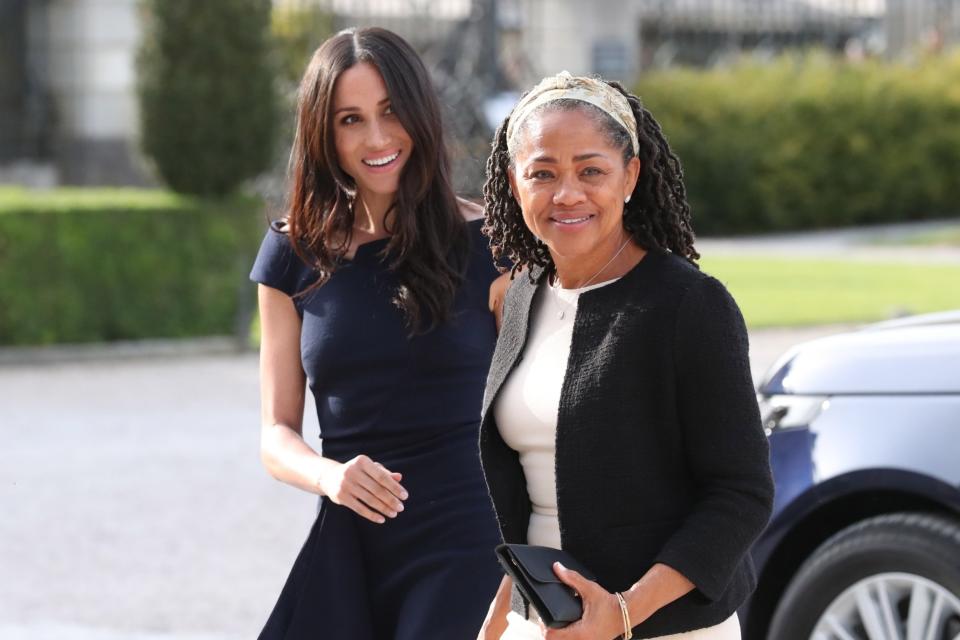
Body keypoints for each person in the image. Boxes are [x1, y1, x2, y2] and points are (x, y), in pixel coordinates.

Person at [475, 72, 775, 640]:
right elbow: (537, 494)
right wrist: (499, 618)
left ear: (630, 175)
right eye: (543, 173)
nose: (567, 194)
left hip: (663, 627)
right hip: (542, 622)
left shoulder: (689, 305)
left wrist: (626, 611)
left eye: (591, 170)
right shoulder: (522, 295)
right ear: (516, 183)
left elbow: (742, 493)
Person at [249, 27, 505, 639]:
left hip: (470, 539)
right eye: (350, 119)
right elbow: (275, 433)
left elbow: (543, 405)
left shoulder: (491, 244)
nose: (377, 138)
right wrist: (328, 476)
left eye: (391, 112)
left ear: (419, 112)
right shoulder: (292, 252)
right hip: (350, 537)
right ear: (323, 134)